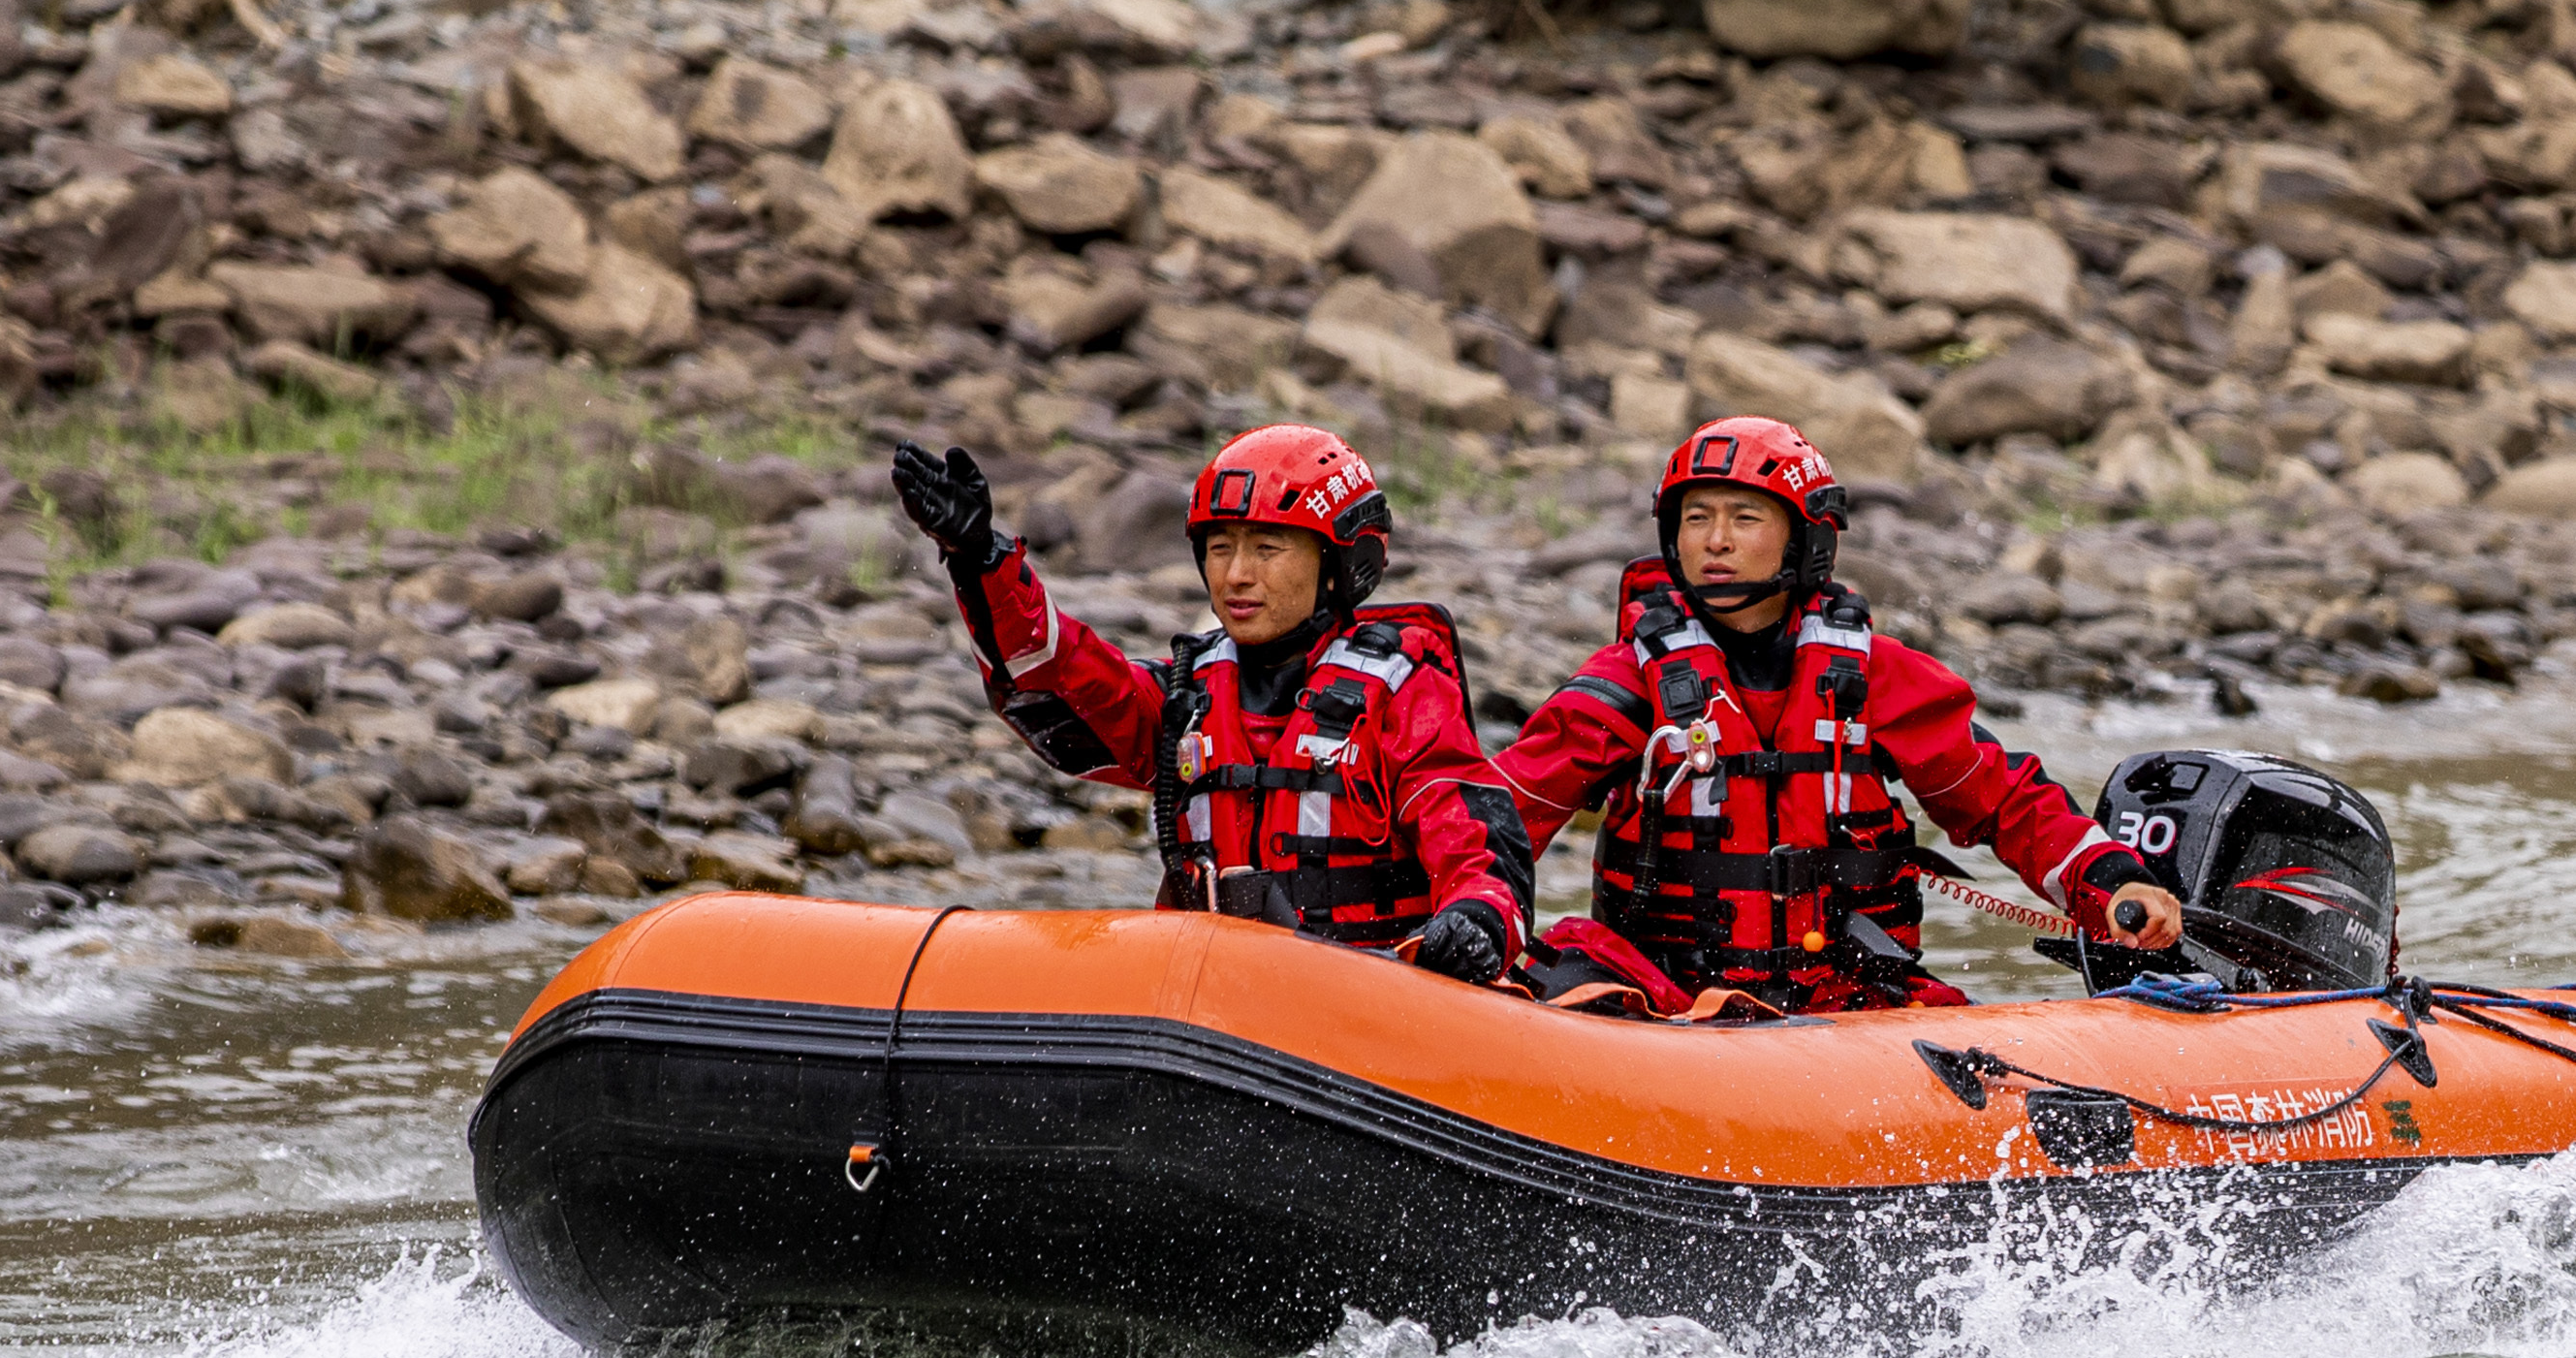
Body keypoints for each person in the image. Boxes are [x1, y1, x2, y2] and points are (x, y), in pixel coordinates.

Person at [1489, 414, 2187, 1018]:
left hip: (1847, 1000)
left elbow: (2005, 801)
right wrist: (1472, 911)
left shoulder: (1875, 675)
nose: (1715, 540)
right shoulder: (1629, 679)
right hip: (1664, 995)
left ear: (1804, 538)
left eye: (1744, 518)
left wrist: (2110, 880)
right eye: (1696, 518)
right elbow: (1501, 814)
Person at [885, 420, 1526, 978]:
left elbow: (1471, 836)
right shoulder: (1186, 698)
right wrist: (981, 561)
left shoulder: (1403, 695)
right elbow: (1059, 680)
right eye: (1220, 549)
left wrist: (1477, 918)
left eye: (1267, 549)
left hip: (1367, 999)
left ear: (1339, 564)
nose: (1237, 575)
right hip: (1209, 997)